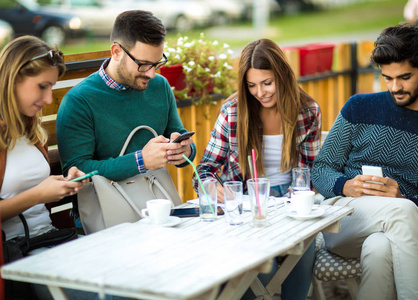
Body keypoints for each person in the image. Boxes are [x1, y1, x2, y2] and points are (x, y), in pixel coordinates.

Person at [312, 24, 418, 300]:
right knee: (404, 211)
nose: (395, 87)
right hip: (347, 220)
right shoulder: (359, 107)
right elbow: (320, 170)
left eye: (404, 77)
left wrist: (404, 197)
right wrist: (345, 185)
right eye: (387, 78)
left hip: (402, 233)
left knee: (380, 247)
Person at [194, 38, 321, 300]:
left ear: (282, 76)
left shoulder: (307, 111)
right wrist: (210, 187)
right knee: (264, 269)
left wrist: (294, 203)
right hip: (246, 204)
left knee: (303, 247)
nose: (260, 93)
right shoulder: (233, 112)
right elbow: (204, 169)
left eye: (267, 83)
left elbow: (310, 174)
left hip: (291, 201)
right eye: (251, 85)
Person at [56, 10, 196, 221]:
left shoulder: (160, 86)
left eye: (157, 63)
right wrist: (140, 161)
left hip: (156, 207)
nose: (151, 73)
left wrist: (184, 149)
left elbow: (178, 135)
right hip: (108, 215)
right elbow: (77, 170)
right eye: (143, 64)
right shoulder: (79, 100)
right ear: (116, 52)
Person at [0, 35, 93, 299]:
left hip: (51, 239)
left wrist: (64, 182)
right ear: (14, 79)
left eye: (51, 87)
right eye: (42, 86)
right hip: (18, 253)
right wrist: (40, 194)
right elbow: (33, 192)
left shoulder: (28, 129)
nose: (49, 98)